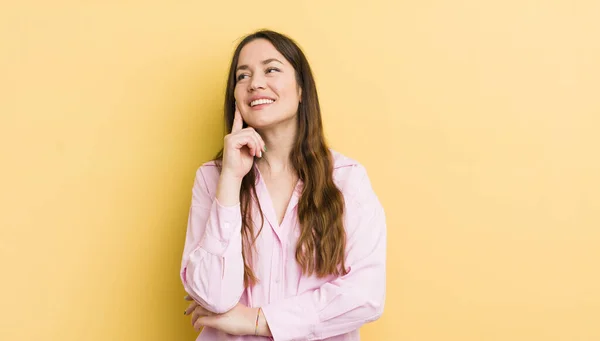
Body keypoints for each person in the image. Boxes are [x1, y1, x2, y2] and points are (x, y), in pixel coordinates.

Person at [180, 29, 387, 341]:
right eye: (242, 75)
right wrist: (231, 181)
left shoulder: (347, 179)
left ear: (301, 89)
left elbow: (366, 294)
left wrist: (255, 321)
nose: (255, 83)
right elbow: (212, 295)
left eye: (271, 69)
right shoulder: (213, 178)